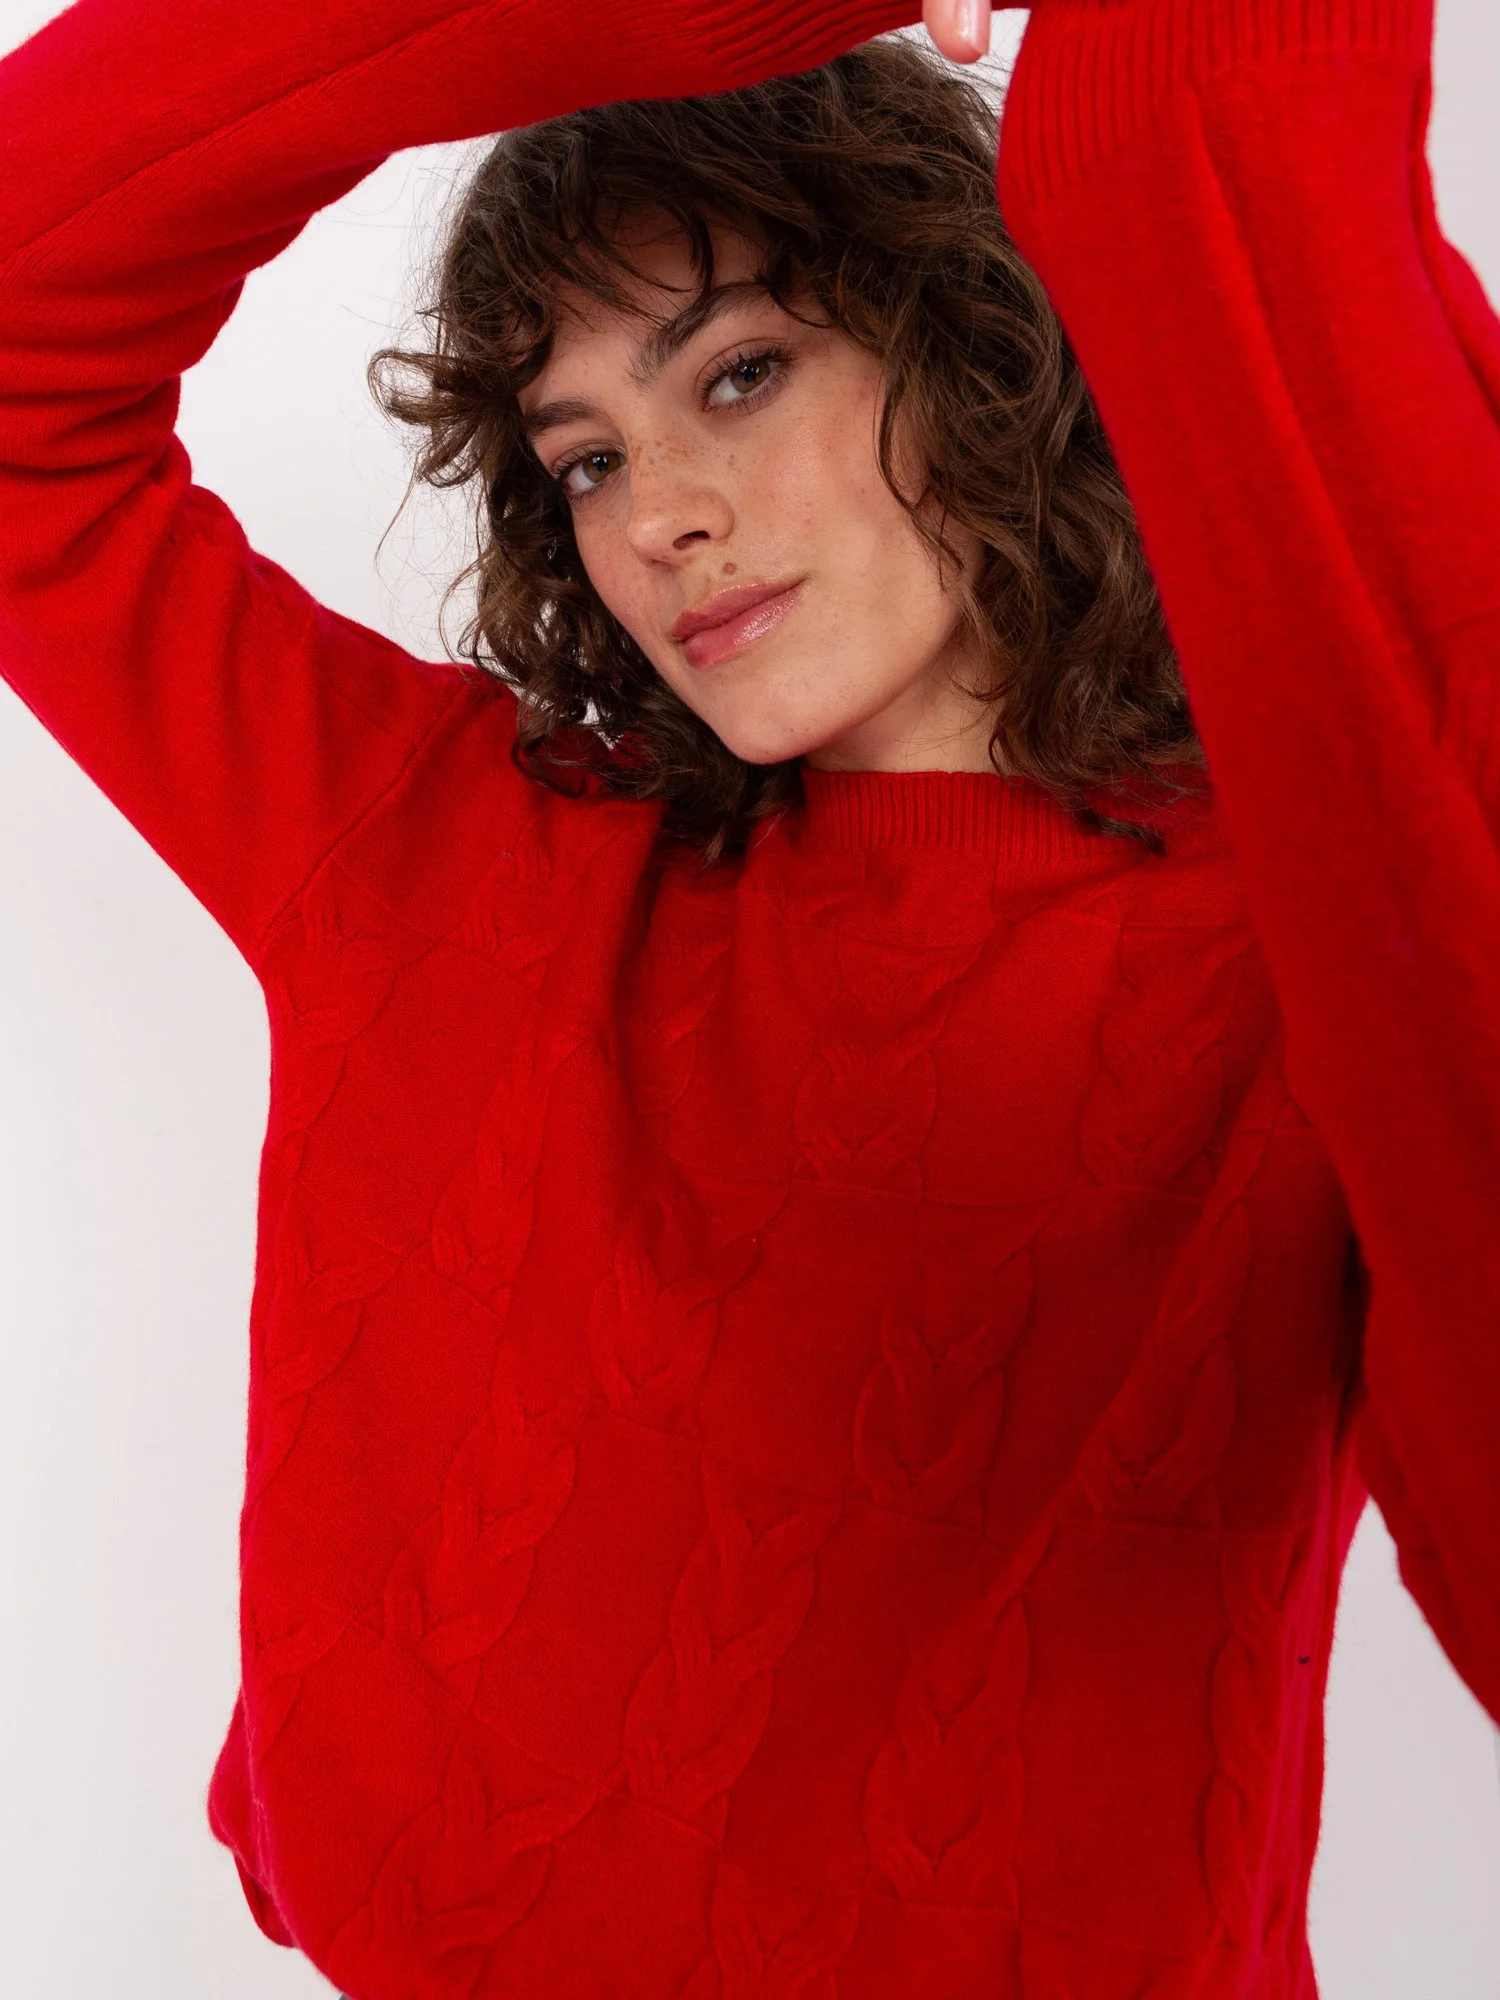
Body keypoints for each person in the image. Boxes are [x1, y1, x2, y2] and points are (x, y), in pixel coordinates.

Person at [1, 0, 1496, 1996]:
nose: (658, 516)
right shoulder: (441, 851)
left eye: (741, 370)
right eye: (587, 456)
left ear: (973, 352)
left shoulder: (1316, 925)